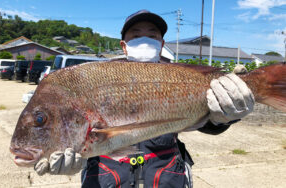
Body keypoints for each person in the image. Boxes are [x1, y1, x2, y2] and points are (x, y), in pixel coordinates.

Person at [34, 10, 255, 188]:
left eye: (152, 35)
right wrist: (77, 157)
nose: (145, 40)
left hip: (166, 175)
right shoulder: (99, 76)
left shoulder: (176, 74)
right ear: (124, 45)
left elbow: (204, 122)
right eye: (136, 35)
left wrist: (223, 117)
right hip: (106, 177)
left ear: (161, 44)